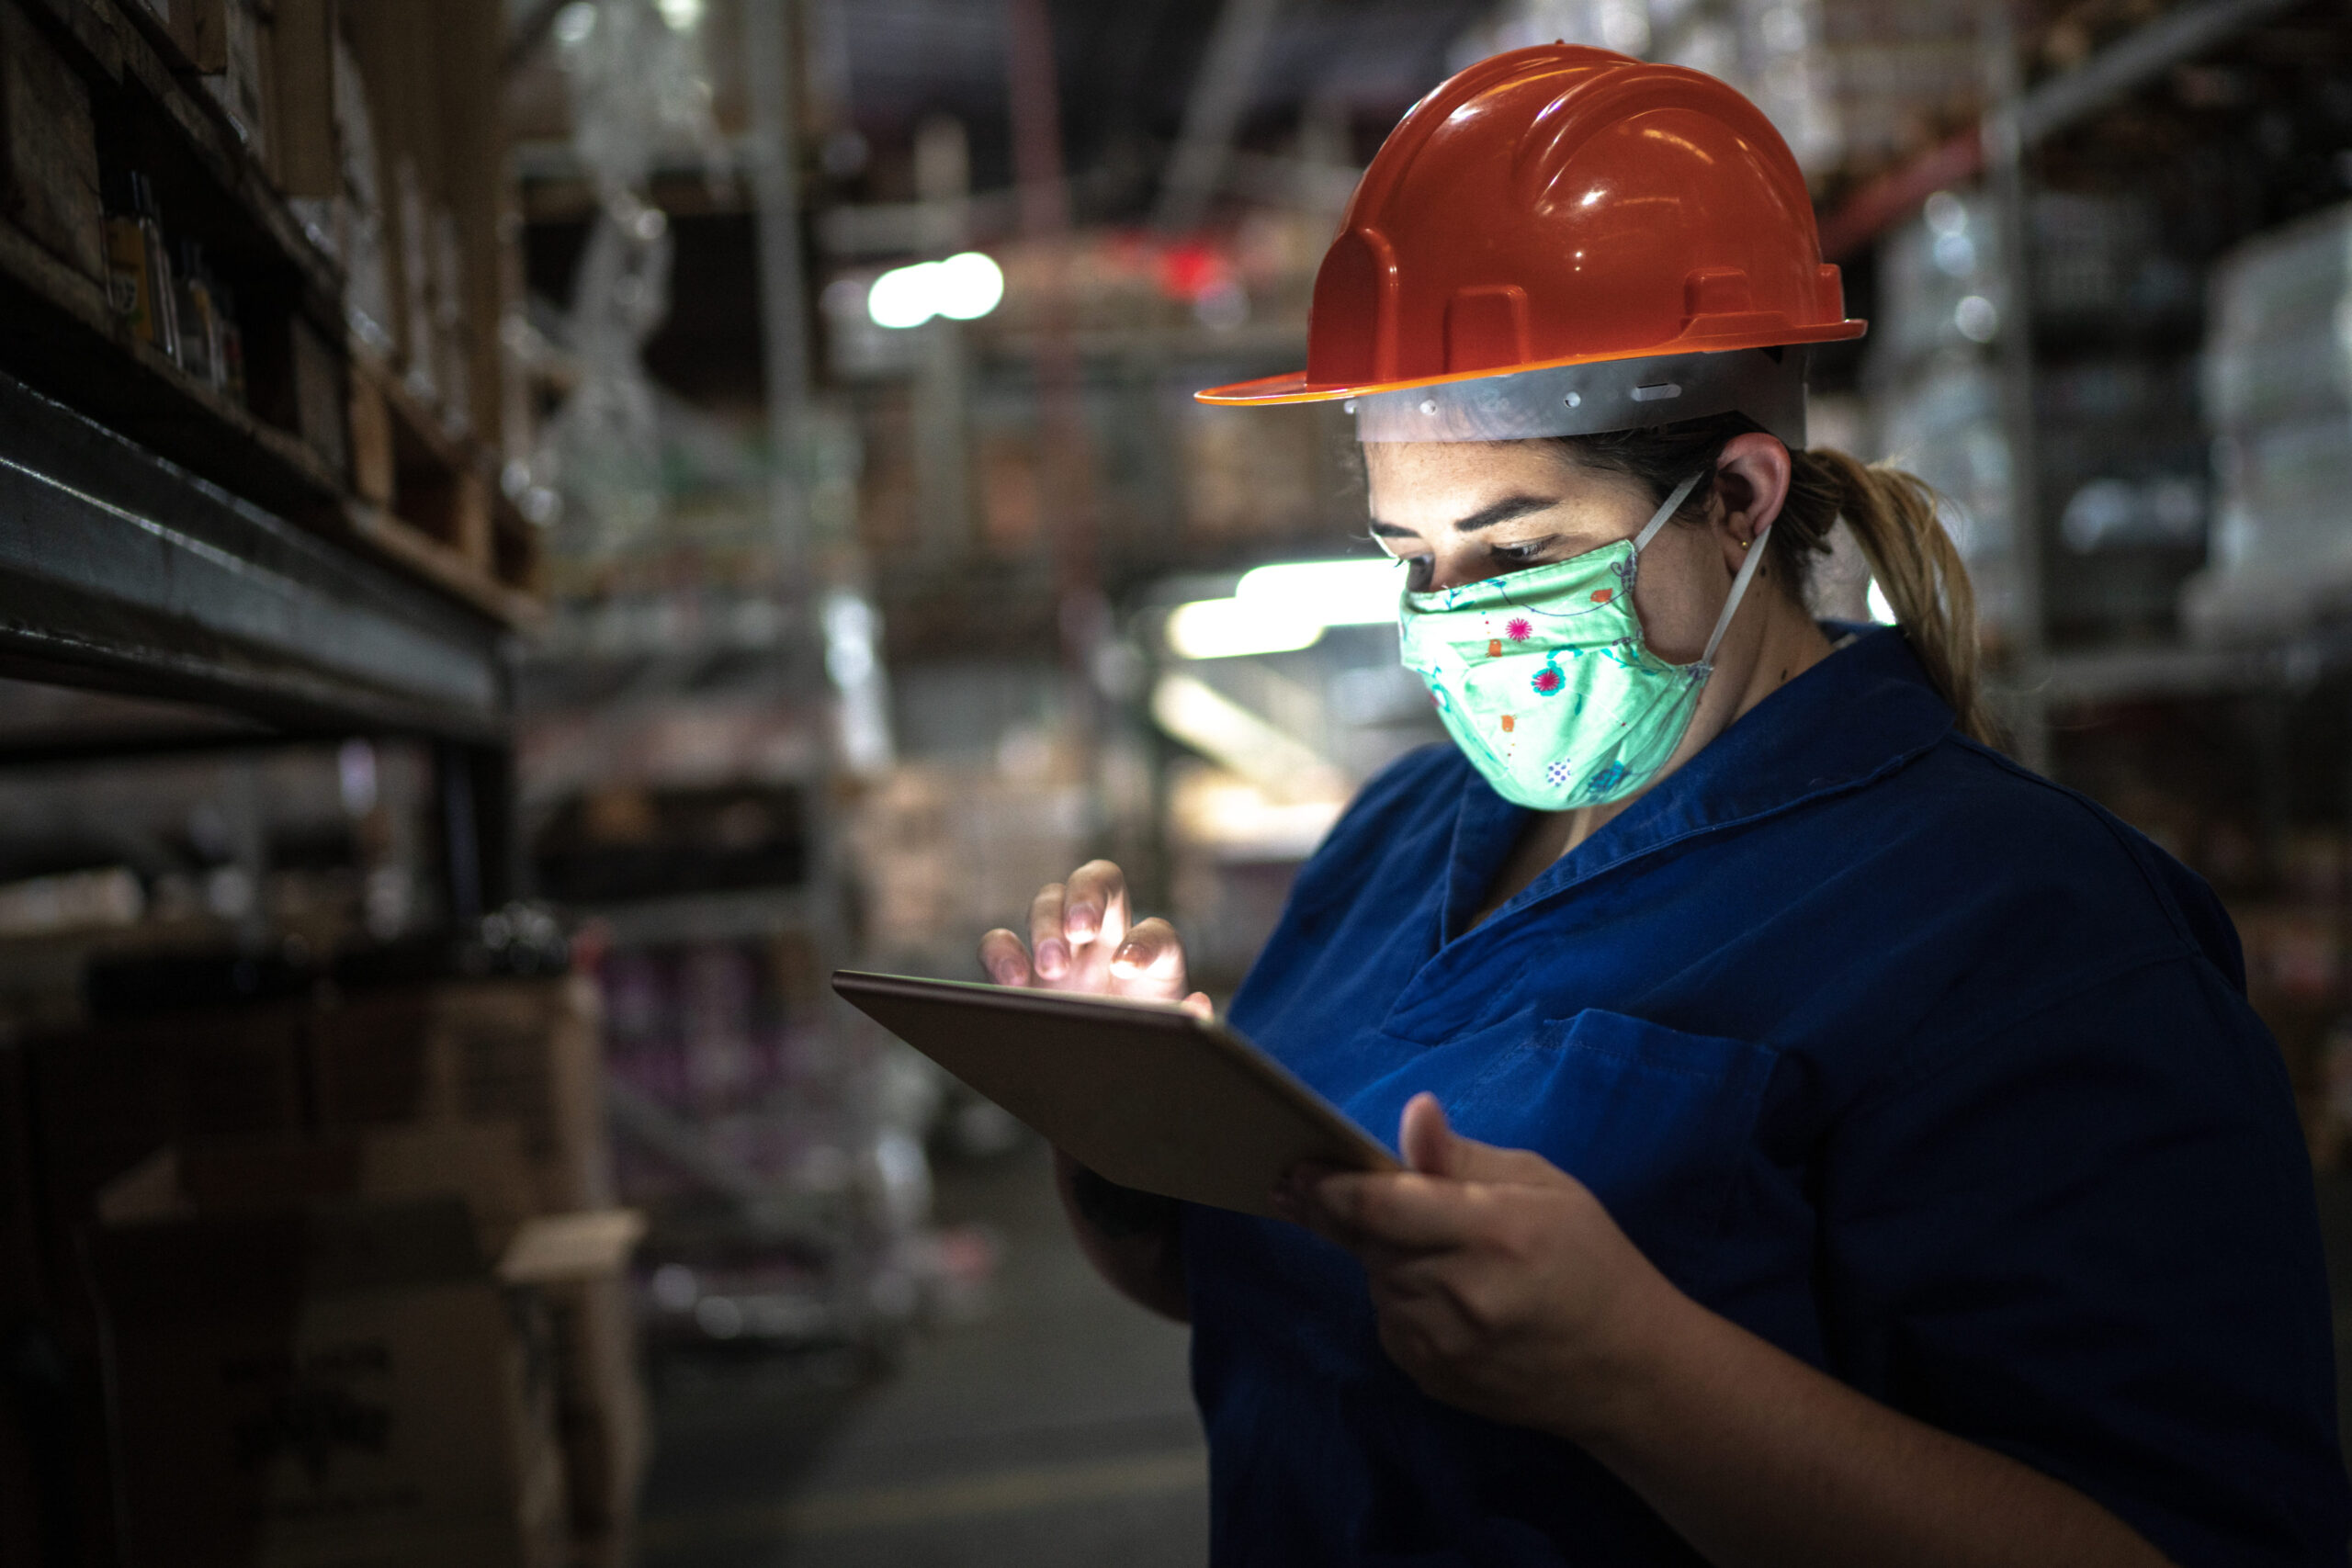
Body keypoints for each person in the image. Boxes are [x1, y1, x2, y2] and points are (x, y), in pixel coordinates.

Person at [978, 44, 2351, 1568]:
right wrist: (1129, 1137)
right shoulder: (1397, 839)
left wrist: (1637, 1372)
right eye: (1408, 557)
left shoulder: (2030, 937)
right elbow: (1280, 1290)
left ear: (1741, 500)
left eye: (1513, 554)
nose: (1452, 616)